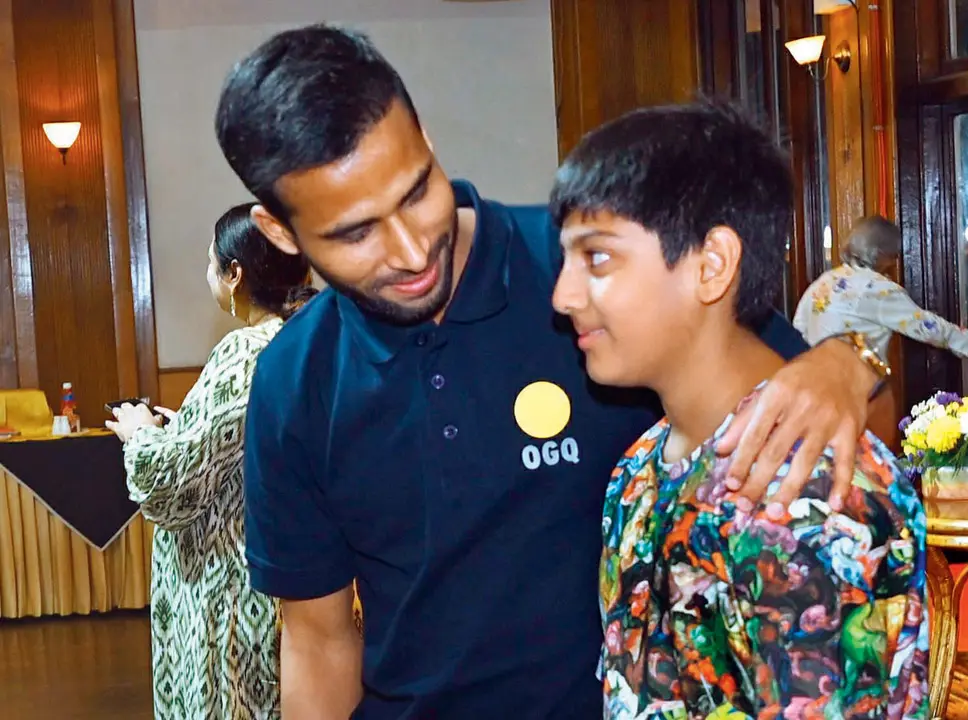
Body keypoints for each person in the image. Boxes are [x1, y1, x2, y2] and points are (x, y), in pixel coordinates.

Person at [214, 25, 885, 719]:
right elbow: (318, 641)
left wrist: (846, 362)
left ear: (426, 145)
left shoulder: (589, 277)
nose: (411, 252)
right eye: (357, 233)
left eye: (416, 193)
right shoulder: (293, 380)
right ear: (281, 232)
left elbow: (794, 382)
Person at [551, 101, 929, 718]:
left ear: (712, 265)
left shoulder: (807, 494)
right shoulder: (637, 470)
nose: (563, 296)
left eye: (596, 258)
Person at [105, 203, 315, 719]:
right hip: (290, 573)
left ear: (235, 274)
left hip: (229, 590)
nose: (207, 274)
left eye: (209, 262)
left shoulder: (245, 351)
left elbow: (171, 487)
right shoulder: (305, 340)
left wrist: (140, 434)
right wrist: (185, 426)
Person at [793, 215, 968, 363]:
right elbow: (928, 327)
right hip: (851, 387)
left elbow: (798, 328)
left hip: (814, 384)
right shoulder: (877, 288)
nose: (894, 263)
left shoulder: (824, 281)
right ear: (880, 254)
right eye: (894, 256)